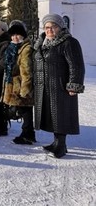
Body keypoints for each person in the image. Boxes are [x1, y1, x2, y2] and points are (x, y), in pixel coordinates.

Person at [33, 14, 85, 158]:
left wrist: (74, 85)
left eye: (53, 27)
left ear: (61, 27)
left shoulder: (69, 42)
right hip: (45, 86)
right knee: (52, 115)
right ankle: (57, 142)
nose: (49, 30)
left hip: (61, 86)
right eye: (47, 27)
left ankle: (61, 145)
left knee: (61, 115)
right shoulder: (42, 43)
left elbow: (76, 65)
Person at [2, 21, 36, 145]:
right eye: (13, 35)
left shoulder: (26, 49)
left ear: (23, 35)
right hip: (14, 84)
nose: (15, 37)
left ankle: (27, 134)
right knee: (23, 109)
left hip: (21, 85)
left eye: (18, 35)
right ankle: (28, 133)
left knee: (25, 110)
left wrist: (25, 89)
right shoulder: (14, 47)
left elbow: (26, 70)